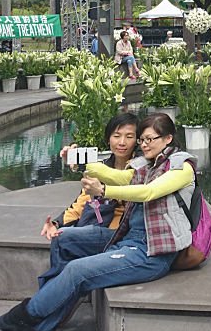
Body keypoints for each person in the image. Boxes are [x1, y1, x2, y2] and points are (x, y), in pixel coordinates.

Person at [0, 113, 197, 331]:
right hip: (128, 244)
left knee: (76, 271)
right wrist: (84, 163)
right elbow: (120, 177)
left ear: (168, 138)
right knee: (72, 276)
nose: (143, 145)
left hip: (151, 254)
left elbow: (148, 192)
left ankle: (8, 323)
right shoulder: (148, 164)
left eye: (148, 139)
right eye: (142, 140)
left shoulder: (183, 166)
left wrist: (105, 191)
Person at [39, 112, 139, 268]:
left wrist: (100, 185)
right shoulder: (103, 166)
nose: (122, 142)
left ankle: (57, 284)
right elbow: (81, 202)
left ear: (137, 140)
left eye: (129, 136)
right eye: (116, 135)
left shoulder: (140, 167)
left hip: (119, 231)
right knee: (61, 236)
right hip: (98, 224)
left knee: (63, 239)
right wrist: (56, 223)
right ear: (108, 138)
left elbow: (129, 187)